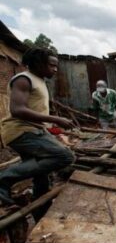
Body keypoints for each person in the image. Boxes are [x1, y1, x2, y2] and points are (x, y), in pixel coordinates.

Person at [0, 48, 75, 219]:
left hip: (32, 129)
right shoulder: (23, 80)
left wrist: (49, 125)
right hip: (21, 130)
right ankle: (4, 178)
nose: (55, 70)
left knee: (41, 177)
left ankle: (42, 214)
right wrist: (54, 119)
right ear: (38, 63)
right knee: (64, 156)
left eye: (56, 66)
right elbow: (17, 110)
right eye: (51, 65)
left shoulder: (38, 80)